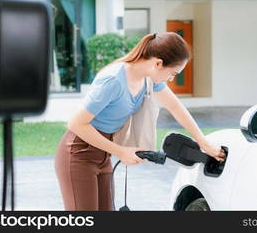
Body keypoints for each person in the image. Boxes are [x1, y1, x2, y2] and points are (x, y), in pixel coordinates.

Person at [54, 32, 226, 211]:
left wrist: (203, 142)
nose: (171, 79)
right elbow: (76, 124)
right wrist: (121, 151)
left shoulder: (147, 80)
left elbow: (175, 106)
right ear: (158, 63)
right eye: (173, 73)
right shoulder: (113, 80)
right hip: (78, 153)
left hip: (102, 154)